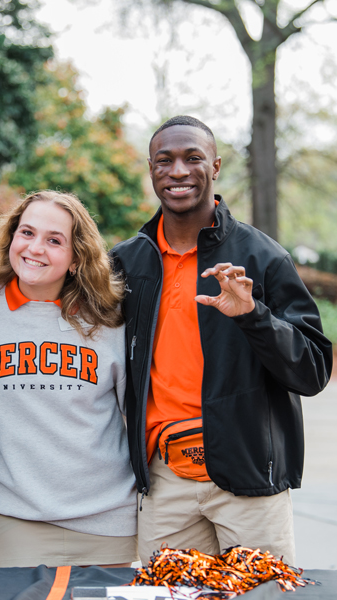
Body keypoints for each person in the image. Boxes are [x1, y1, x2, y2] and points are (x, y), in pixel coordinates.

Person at [110, 115, 333, 565]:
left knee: (265, 599)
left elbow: (312, 371)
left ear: (215, 167)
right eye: (164, 160)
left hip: (249, 479)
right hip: (165, 481)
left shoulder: (262, 256)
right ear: (151, 169)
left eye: (193, 158)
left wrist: (254, 315)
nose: (178, 171)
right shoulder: (127, 261)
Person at [0, 190, 138, 568]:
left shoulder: (110, 321)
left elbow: (135, 415)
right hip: (16, 516)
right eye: (26, 233)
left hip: (108, 518)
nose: (35, 248)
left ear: (77, 259)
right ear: (11, 237)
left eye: (54, 240)